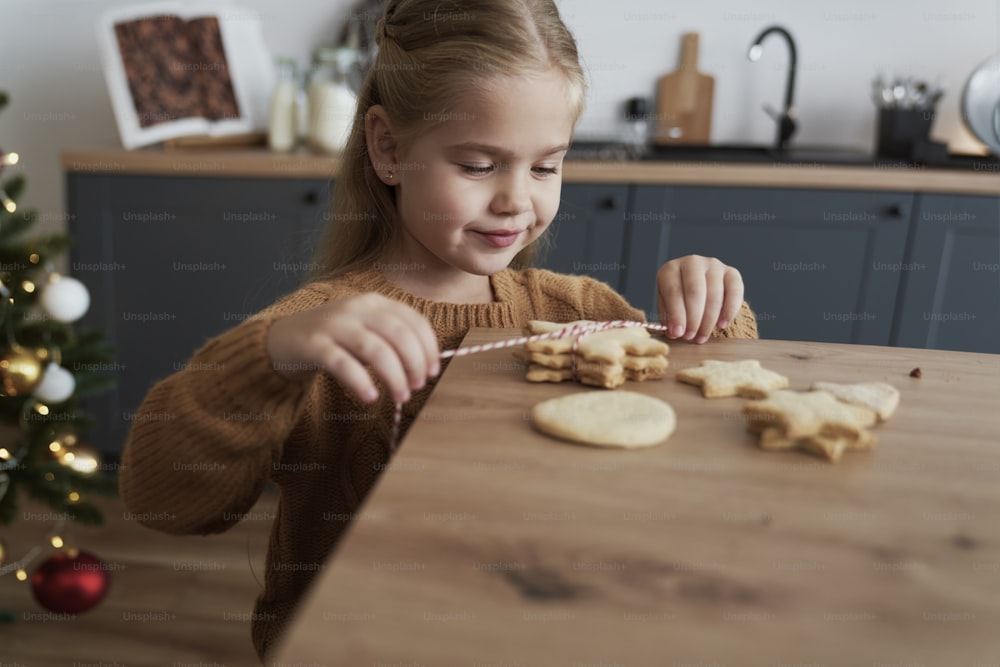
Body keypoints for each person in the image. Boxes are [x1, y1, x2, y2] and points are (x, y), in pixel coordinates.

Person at [120, 0, 758, 660]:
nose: (517, 199)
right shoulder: (318, 337)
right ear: (388, 148)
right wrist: (266, 359)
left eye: (545, 166)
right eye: (479, 165)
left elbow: (715, 432)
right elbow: (162, 500)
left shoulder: (579, 315)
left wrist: (711, 312)